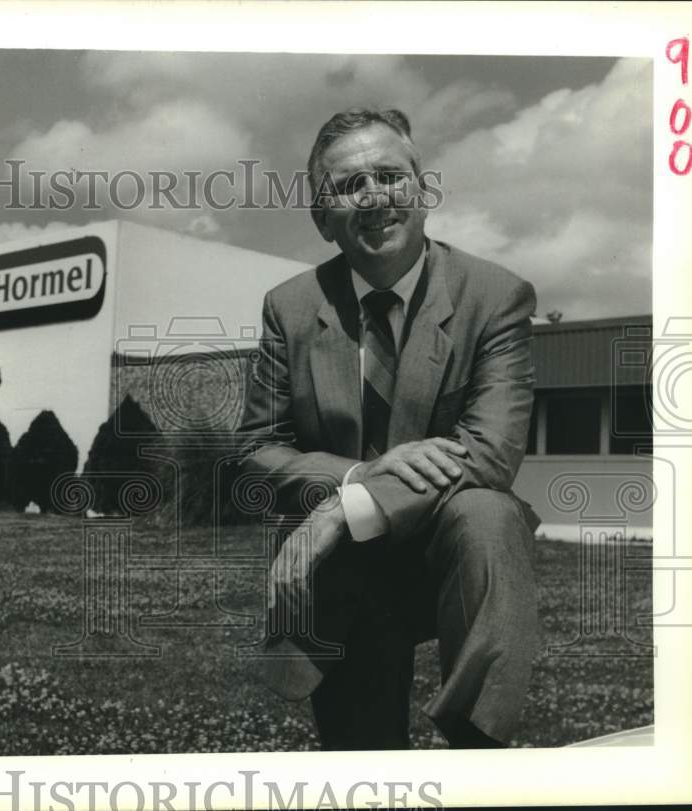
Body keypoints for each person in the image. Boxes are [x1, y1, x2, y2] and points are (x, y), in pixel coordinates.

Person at [237, 107, 540, 750]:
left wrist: (347, 506)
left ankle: (478, 753)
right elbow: (256, 450)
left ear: (422, 190)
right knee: (363, 763)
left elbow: (490, 454)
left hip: (449, 554)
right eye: (350, 185)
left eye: (390, 176)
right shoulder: (290, 308)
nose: (375, 197)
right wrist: (356, 477)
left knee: (489, 512)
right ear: (322, 218)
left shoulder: (496, 297)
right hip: (343, 570)